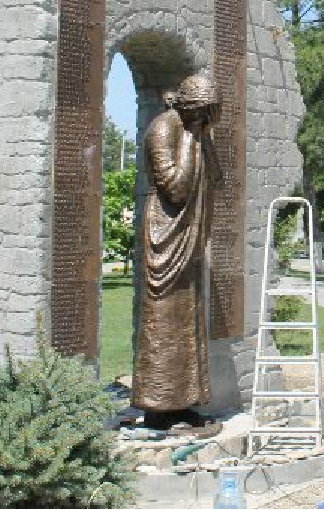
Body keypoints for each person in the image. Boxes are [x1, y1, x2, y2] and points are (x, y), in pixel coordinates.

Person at [133, 74, 222, 428]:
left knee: (188, 317)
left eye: (208, 115)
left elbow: (215, 176)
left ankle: (183, 400)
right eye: (201, 113)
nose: (204, 121)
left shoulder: (194, 128)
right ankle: (158, 406)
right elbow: (177, 188)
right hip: (166, 233)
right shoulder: (162, 130)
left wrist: (201, 138)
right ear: (187, 106)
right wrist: (192, 141)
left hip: (190, 232)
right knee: (164, 317)